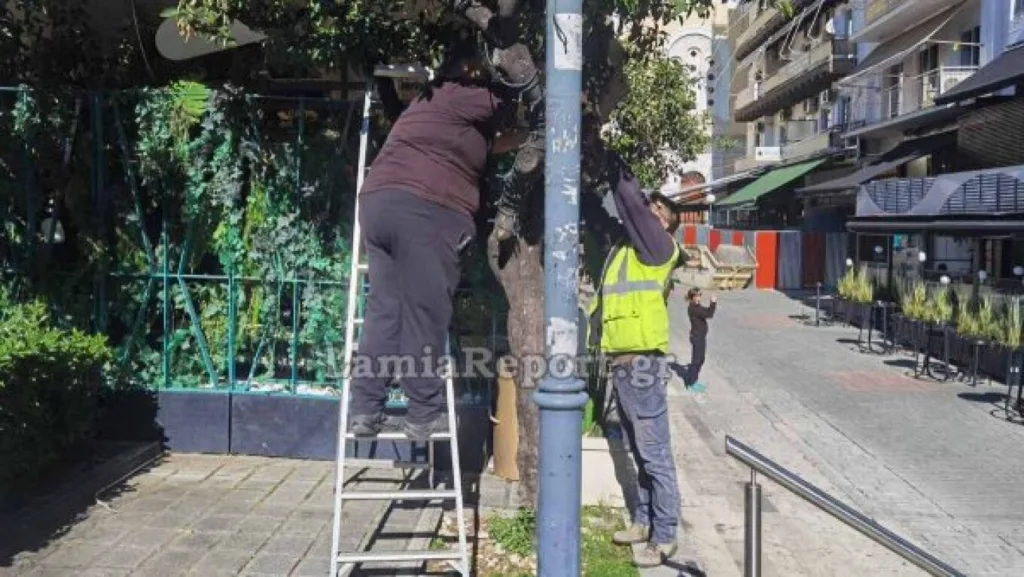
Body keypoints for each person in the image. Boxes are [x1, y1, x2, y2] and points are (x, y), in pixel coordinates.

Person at [348, 32, 525, 441]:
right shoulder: (461, 91)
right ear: (469, 69)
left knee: (384, 311)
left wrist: (523, 139)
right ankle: (425, 413)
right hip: (424, 208)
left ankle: (365, 409)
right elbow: (511, 98)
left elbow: (490, 143)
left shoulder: (433, 107)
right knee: (424, 313)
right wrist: (555, 94)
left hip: (379, 204)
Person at [585, 150, 686, 569]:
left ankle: (664, 536)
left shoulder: (658, 247)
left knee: (654, 452)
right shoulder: (623, 249)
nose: (649, 212)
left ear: (664, 223)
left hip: (643, 363)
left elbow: (630, 202)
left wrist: (612, 162)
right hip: (623, 363)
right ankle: (644, 521)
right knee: (637, 448)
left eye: (656, 210)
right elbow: (600, 214)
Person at [685, 287, 717, 391]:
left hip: (700, 336)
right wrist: (713, 302)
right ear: (693, 297)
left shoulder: (696, 306)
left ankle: (693, 380)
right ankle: (691, 383)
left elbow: (706, 312)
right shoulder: (694, 308)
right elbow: (709, 314)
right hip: (697, 337)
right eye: (697, 295)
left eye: (700, 295)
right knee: (697, 360)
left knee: (700, 359)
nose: (699, 297)